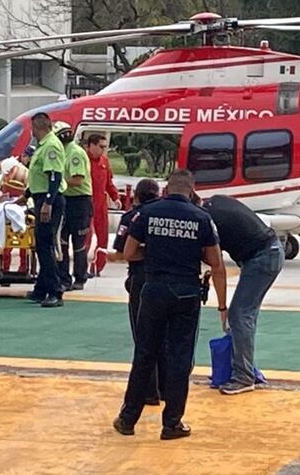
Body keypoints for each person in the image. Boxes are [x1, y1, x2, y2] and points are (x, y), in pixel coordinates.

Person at [112, 169, 227, 441]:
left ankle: (128, 419)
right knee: (179, 357)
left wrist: (154, 252)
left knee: (145, 354)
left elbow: (128, 253)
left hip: (153, 288)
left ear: (166, 189)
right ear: (191, 190)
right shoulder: (202, 218)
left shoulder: (147, 213)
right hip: (186, 291)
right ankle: (172, 423)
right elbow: (215, 261)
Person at [200, 194, 285, 395]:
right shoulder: (216, 202)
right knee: (247, 315)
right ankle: (247, 369)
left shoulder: (206, 221)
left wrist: (222, 309)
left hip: (263, 257)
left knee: (239, 315)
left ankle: (244, 376)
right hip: (270, 250)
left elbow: (218, 268)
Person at [106, 178, 163, 405]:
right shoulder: (167, 215)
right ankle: (167, 387)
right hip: (169, 278)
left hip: (142, 279)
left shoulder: (132, 217)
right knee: (167, 337)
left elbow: (123, 252)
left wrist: (113, 256)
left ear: (136, 197)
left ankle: (148, 390)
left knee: (144, 337)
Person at [24, 112, 66, 308]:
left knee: (46, 246)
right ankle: (41, 288)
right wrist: (26, 195)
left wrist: (48, 203)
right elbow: (39, 176)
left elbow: (54, 177)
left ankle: (55, 290)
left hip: (50, 200)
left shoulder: (51, 146)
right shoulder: (43, 146)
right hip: (40, 197)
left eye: (32, 128)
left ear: (38, 127)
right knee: (42, 244)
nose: (31, 132)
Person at [54, 122, 93, 291]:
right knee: (61, 241)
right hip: (65, 200)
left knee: (78, 243)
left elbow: (78, 179)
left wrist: (57, 182)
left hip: (79, 201)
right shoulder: (61, 152)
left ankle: (80, 277)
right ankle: (64, 278)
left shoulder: (75, 153)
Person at [86, 133, 121, 275]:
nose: (103, 150)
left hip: (100, 204)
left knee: (103, 238)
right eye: (101, 147)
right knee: (85, 238)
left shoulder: (104, 162)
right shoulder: (83, 160)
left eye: (105, 147)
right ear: (91, 146)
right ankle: (81, 268)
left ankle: (97, 267)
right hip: (86, 203)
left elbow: (108, 183)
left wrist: (115, 197)